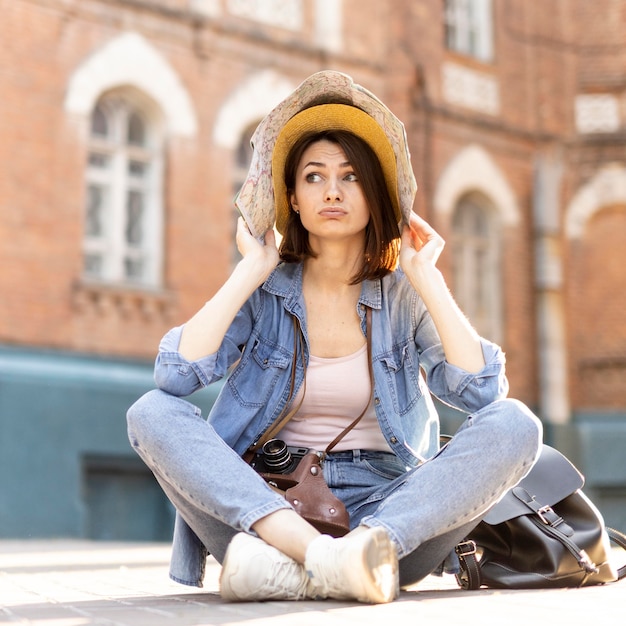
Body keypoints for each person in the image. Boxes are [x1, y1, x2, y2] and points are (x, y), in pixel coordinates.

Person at [126, 70, 542, 604]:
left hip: (389, 514)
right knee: (151, 412)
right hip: (266, 507)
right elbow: (175, 376)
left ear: (375, 195)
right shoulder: (267, 291)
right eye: (314, 177)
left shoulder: (399, 295)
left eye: (351, 176)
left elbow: (482, 394)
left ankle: (309, 569)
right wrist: (249, 270)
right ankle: (322, 561)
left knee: (516, 424)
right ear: (293, 199)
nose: (333, 191)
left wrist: (426, 279)